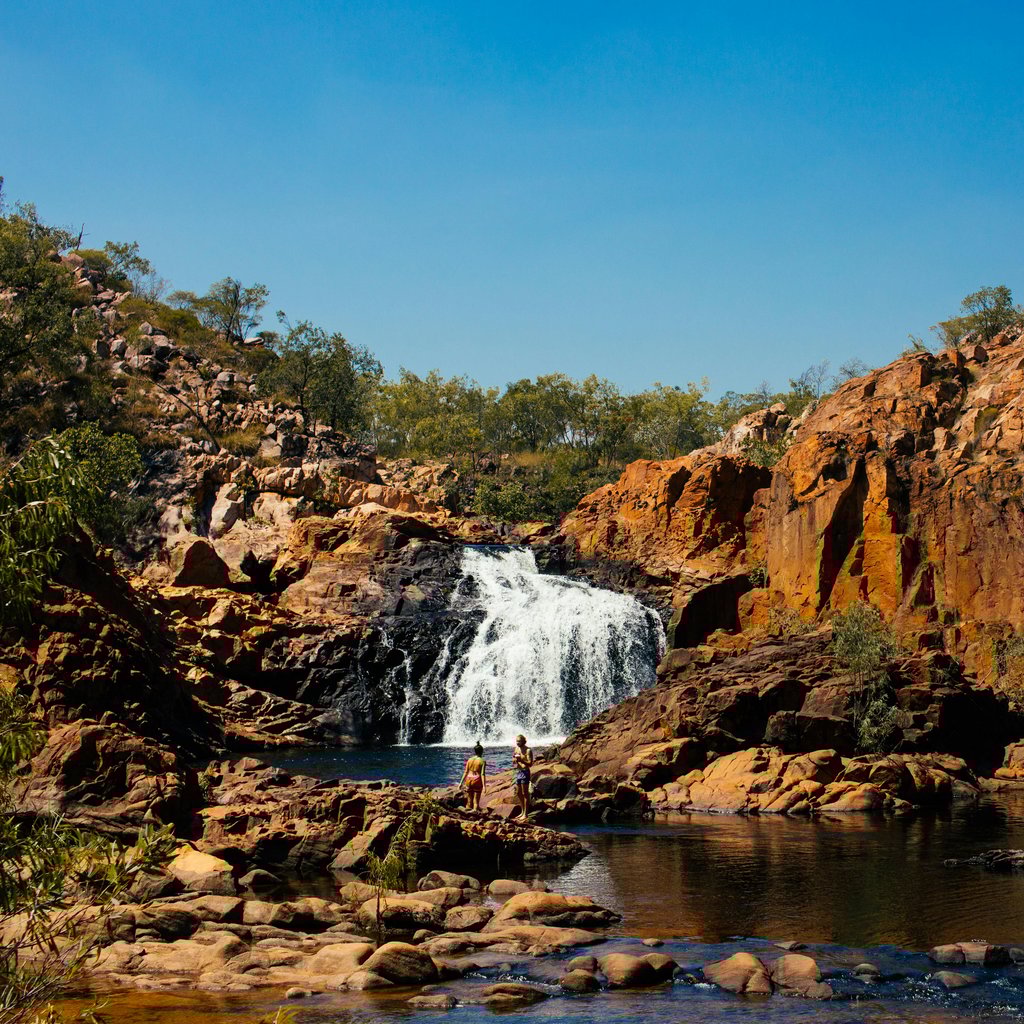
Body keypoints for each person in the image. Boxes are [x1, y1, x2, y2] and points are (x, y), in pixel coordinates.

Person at [461, 742, 486, 811]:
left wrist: (460, 783)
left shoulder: (469, 760)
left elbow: (465, 772)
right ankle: (475, 811)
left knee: (469, 801)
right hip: (476, 780)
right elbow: (482, 774)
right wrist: (484, 786)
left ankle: (467, 812)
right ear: (482, 751)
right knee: (476, 802)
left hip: (468, 779)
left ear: (475, 751)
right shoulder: (482, 761)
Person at [512, 734, 533, 818]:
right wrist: (514, 760)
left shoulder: (528, 750)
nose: (517, 743)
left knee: (525, 793)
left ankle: (526, 813)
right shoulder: (516, 749)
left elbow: (530, 763)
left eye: (519, 741)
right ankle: (522, 811)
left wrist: (522, 760)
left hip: (525, 772)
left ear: (524, 741)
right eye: (516, 741)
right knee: (518, 792)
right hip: (518, 771)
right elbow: (513, 759)